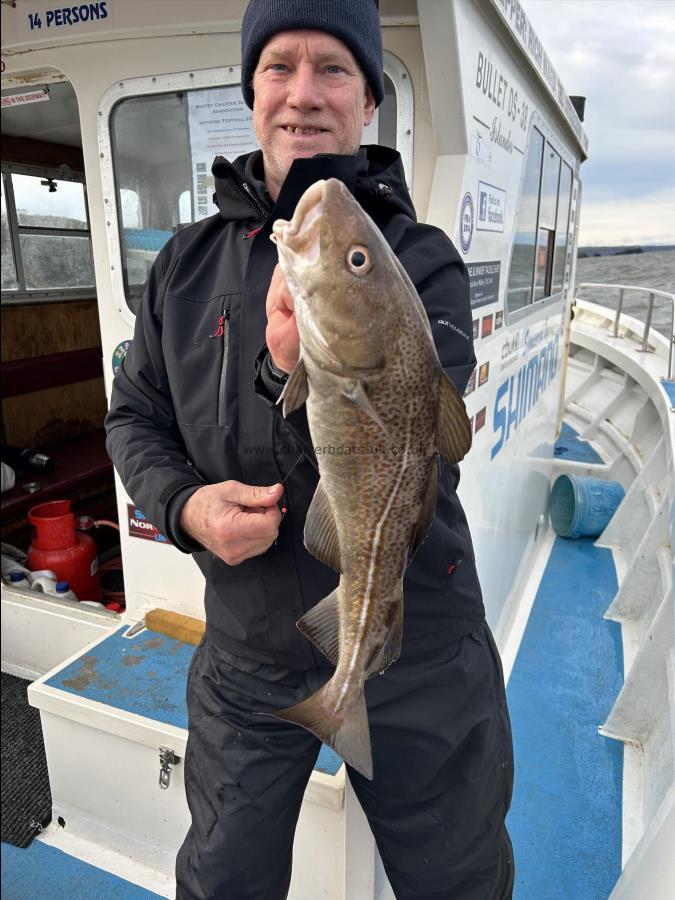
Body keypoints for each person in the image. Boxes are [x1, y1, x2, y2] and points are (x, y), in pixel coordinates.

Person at [105, 1, 515, 897]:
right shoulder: (182, 264)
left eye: (332, 68)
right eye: (277, 67)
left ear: (368, 100)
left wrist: (293, 373)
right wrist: (183, 506)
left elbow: (422, 439)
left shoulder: (419, 260)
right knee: (221, 881)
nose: (302, 94)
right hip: (246, 655)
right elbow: (133, 416)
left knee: (459, 881)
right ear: (249, 91)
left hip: (417, 645)